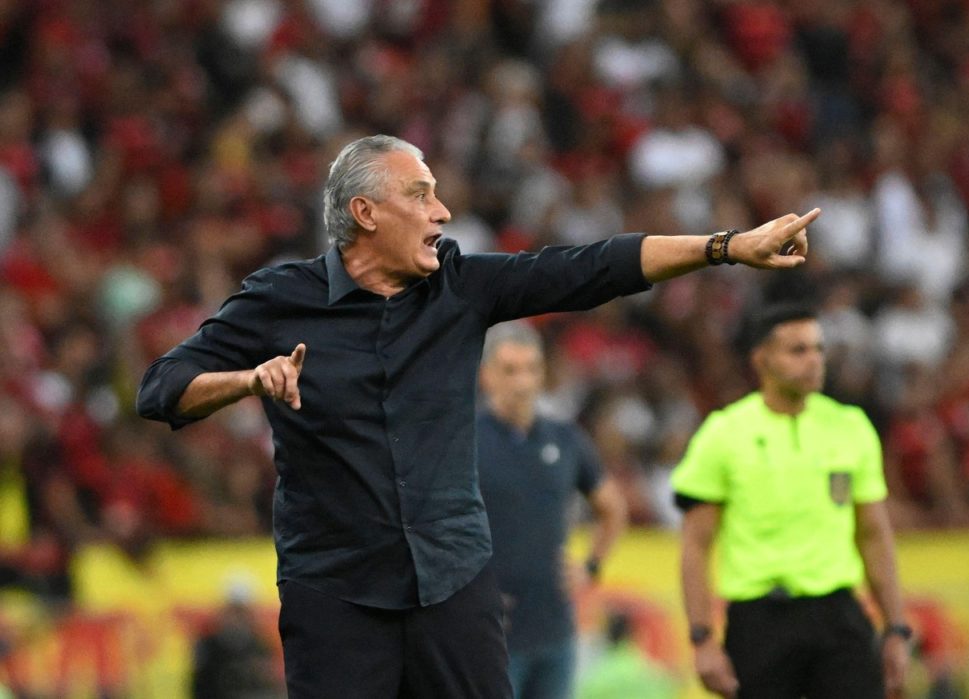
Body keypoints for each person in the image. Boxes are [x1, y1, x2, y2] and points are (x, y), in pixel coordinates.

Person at [136, 133, 819, 698]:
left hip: (451, 580)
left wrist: (727, 246)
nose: (443, 211)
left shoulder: (457, 287)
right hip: (336, 591)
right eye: (420, 194)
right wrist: (248, 380)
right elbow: (161, 388)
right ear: (366, 212)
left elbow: (589, 267)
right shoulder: (280, 299)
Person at [670, 303, 911, 699]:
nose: (815, 360)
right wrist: (702, 639)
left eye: (818, 349)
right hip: (760, 621)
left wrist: (896, 627)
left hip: (839, 617)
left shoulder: (850, 427)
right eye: (798, 350)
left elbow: (872, 533)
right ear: (761, 359)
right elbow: (695, 545)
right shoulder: (724, 433)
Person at [476, 321, 627, 699]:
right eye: (510, 370)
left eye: (531, 369)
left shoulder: (565, 438)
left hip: (554, 627)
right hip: (487, 633)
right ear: (486, 375)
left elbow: (612, 508)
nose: (522, 381)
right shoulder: (463, 438)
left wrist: (591, 566)